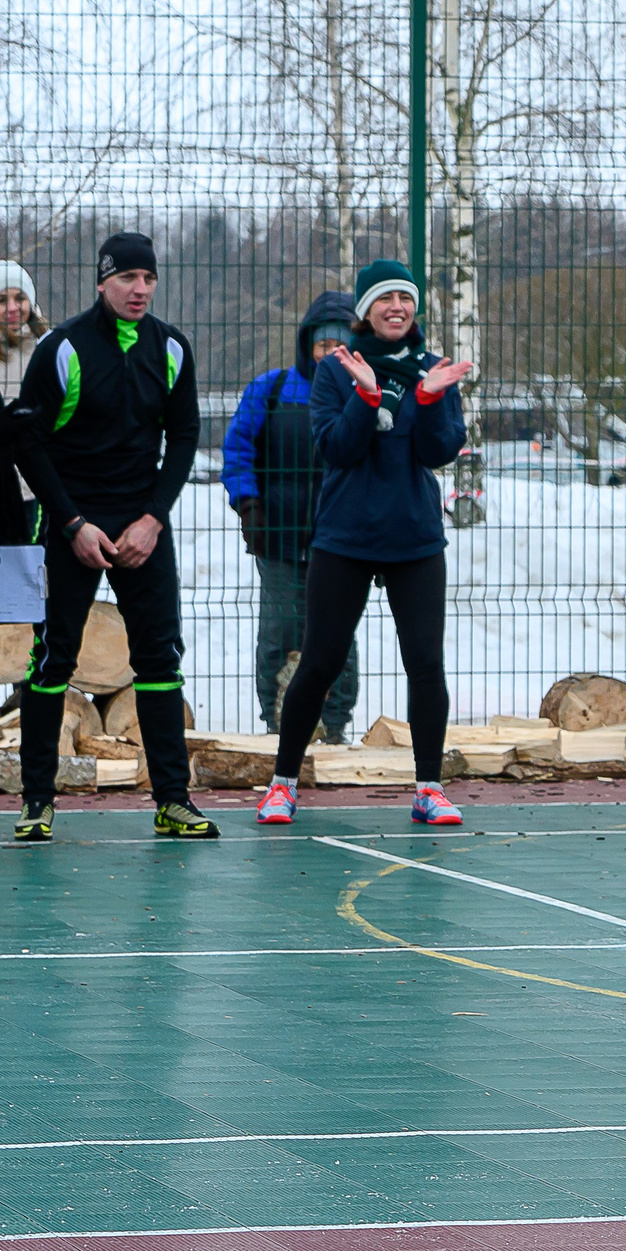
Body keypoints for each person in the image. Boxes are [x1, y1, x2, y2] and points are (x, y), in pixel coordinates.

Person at [4, 232, 218, 840]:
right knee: (53, 658)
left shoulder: (171, 347)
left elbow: (184, 434)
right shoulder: (64, 347)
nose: (140, 289)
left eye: (148, 278)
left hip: (141, 524)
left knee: (159, 657)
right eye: (127, 278)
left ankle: (172, 800)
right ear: (103, 283)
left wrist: (153, 519)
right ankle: (37, 801)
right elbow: (27, 439)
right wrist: (72, 523)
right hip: (72, 522)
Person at [252, 259, 470, 828]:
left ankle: (429, 788)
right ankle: (282, 784)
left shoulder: (433, 369)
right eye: (385, 299)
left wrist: (429, 400)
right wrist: (367, 397)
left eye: (405, 297)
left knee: (425, 664)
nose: (397, 307)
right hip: (345, 537)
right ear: (366, 310)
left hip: (414, 539)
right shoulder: (337, 369)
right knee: (319, 661)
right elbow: (338, 448)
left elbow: (439, 451)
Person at [223, 290, 361, 739]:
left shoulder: (363, 394)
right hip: (277, 536)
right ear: (307, 344)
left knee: (337, 635)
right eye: (323, 345)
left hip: (340, 541)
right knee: (280, 630)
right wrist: (249, 505)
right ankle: (277, 721)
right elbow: (238, 450)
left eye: (341, 346)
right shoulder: (271, 389)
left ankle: (334, 725)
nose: (331, 354)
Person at [0, 260, 50, 543]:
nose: (12, 308)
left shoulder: (47, 347)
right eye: (1, 300)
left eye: (20, 298)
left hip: (35, 484)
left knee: (29, 559)